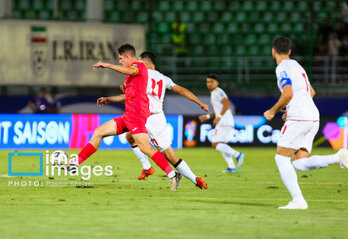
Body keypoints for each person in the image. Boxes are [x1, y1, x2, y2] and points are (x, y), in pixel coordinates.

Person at [264, 36, 348, 210]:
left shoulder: (282, 68)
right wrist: (290, 109)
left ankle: (298, 200)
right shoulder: (298, 66)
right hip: (313, 115)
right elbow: (312, 92)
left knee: (281, 158)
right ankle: (337, 157)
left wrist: (273, 111)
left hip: (300, 116)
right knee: (298, 162)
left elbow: (288, 94)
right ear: (290, 51)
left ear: (273, 51)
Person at [75, 43, 181, 191]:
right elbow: (128, 95)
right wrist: (109, 99)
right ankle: (75, 164)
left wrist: (106, 65)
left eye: (120, 58)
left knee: (144, 147)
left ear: (127, 56)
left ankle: (171, 175)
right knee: (99, 132)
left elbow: (130, 70)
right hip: (128, 115)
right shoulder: (130, 77)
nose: (119, 61)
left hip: (137, 116)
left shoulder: (138, 66)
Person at [97, 51, 208, 189]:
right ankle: (147, 167)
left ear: (144, 63)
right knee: (130, 137)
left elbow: (132, 92)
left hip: (150, 119)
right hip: (153, 116)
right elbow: (181, 90)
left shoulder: (142, 74)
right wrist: (199, 102)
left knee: (169, 155)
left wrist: (112, 72)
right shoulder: (164, 78)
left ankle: (195, 179)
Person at [198, 74, 245, 173]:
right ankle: (231, 166)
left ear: (217, 83)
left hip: (224, 121)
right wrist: (207, 117)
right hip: (226, 120)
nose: (209, 84)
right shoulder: (215, 93)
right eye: (208, 82)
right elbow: (217, 110)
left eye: (212, 82)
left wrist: (219, 117)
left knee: (215, 144)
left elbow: (226, 103)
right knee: (223, 145)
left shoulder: (217, 92)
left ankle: (237, 154)